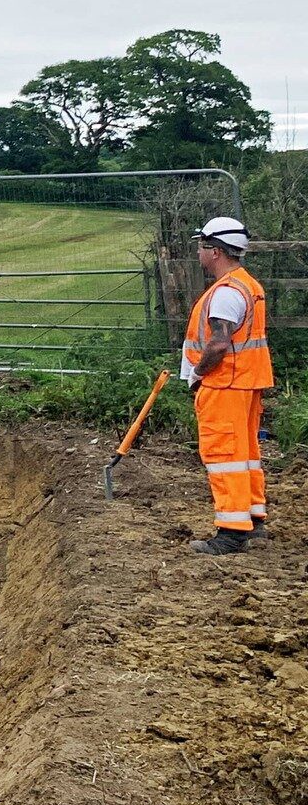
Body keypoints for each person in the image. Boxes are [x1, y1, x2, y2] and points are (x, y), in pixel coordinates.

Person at [182, 217, 272, 556]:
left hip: (224, 384)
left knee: (224, 457)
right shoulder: (248, 285)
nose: (198, 253)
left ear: (215, 251)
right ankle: (252, 520)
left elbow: (219, 345)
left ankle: (232, 532)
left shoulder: (225, 294)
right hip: (246, 383)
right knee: (245, 454)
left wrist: (198, 374)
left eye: (201, 247)